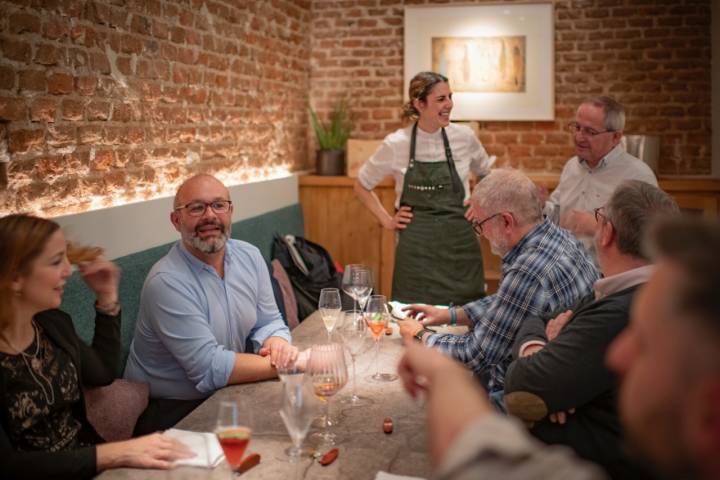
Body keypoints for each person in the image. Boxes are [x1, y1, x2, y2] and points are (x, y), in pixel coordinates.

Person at [398, 216, 720, 480]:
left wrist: (429, 351)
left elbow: (483, 454)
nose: (616, 355)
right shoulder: (557, 241)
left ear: (711, 412)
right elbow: (535, 317)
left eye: (645, 342)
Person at [503, 180, 678, 479]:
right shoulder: (624, 287)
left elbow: (521, 389)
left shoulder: (624, 307)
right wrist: (543, 349)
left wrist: (548, 360)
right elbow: (541, 318)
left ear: (607, 232)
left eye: (600, 217)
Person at [0, 214, 192, 480]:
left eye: (67, 257)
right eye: (56, 261)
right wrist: (116, 453)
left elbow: (102, 374)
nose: (69, 270)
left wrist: (107, 299)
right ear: (14, 277)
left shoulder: (52, 325)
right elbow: (8, 466)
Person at [398, 169, 599, 400]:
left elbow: (475, 354)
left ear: (506, 221)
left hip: (517, 398)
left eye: (480, 223)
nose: (480, 233)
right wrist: (450, 315)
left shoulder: (528, 270)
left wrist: (419, 335)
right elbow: (513, 301)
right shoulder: (558, 236)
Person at [124, 174, 296, 434]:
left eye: (218, 205)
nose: (210, 216)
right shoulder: (166, 281)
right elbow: (209, 368)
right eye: (196, 207)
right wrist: (296, 362)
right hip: (171, 412)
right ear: (176, 220)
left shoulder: (249, 256)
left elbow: (269, 321)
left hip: (227, 392)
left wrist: (278, 343)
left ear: (230, 211)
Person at [354, 71, 493, 306]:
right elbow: (361, 185)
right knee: (410, 320)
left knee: (467, 319)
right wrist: (387, 220)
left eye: (450, 97)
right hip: (416, 253)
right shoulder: (396, 144)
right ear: (419, 104)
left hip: (461, 248)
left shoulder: (464, 137)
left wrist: (479, 202)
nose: (449, 104)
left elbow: (485, 174)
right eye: (441, 99)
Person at [545, 96, 657, 251]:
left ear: (616, 137)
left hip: (609, 273)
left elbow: (650, 236)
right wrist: (540, 206)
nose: (579, 137)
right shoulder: (572, 166)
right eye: (577, 127)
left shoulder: (638, 175)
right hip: (567, 266)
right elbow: (558, 212)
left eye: (590, 131)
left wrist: (596, 226)